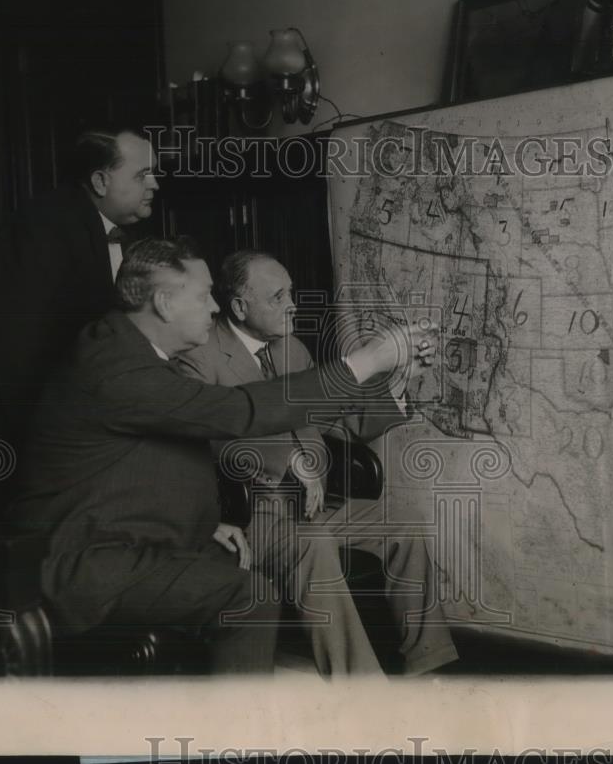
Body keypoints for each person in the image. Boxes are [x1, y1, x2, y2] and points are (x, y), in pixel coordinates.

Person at [9, 238, 434, 675]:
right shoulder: (120, 367)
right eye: (203, 296)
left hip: (156, 537)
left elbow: (137, 466)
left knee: (259, 589)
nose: (214, 308)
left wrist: (208, 521)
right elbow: (235, 415)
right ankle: (264, 726)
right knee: (251, 597)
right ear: (164, 303)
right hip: (93, 563)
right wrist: (366, 360)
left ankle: (411, 670)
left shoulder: (132, 351)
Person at [177, 250, 459, 677]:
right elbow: (204, 441)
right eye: (278, 297)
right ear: (239, 307)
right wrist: (287, 458)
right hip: (255, 514)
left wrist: (401, 382)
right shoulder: (199, 357)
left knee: (403, 521)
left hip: (317, 503)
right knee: (314, 544)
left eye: (291, 292)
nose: (293, 304)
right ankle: (360, 688)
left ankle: (429, 663)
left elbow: (340, 420)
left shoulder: (291, 346)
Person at [0, 125, 159, 446]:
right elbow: (16, 348)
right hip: (20, 426)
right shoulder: (40, 227)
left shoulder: (116, 231)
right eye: (141, 175)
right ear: (100, 182)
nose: (154, 185)